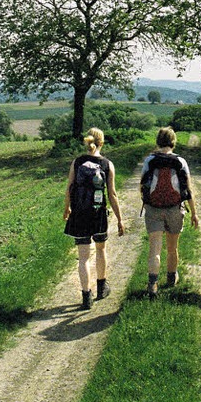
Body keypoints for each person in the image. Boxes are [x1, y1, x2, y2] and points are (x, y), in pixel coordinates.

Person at [63, 127, 124, 310]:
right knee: (100, 249)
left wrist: (67, 208)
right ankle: (101, 287)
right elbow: (112, 194)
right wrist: (120, 219)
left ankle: (85, 296)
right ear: (102, 142)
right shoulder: (107, 164)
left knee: (83, 258)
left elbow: (69, 187)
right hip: (98, 214)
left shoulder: (77, 162)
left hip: (79, 213)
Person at [140, 127, 199, 298]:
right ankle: (172, 278)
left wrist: (147, 202)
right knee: (172, 248)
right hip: (175, 208)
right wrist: (194, 213)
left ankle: (152, 284)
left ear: (158, 140)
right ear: (174, 141)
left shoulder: (150, 160)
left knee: (155, 249)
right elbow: (188, 190)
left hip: (153, 208)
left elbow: (142, 185)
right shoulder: (180, 162)